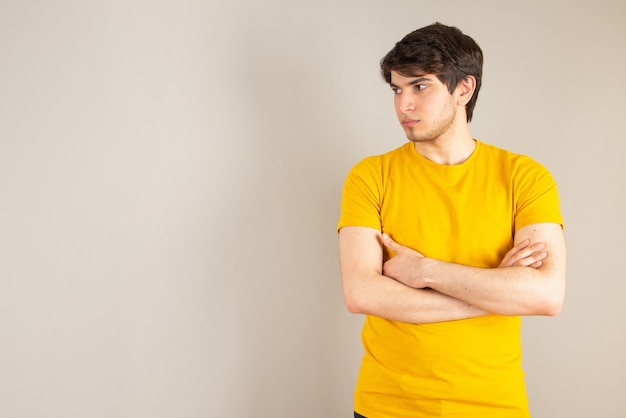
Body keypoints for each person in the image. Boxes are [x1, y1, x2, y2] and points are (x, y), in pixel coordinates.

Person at [337, 22, 566, 417]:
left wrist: (425, 271)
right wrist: (494, 293)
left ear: (464, 89)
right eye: (397, 89)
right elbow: (362, 294)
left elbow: (544, 296)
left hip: (493, 406)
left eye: (420, 86)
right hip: (387, 406)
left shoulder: (524, 177)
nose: (403, 104)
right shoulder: (370, 175)